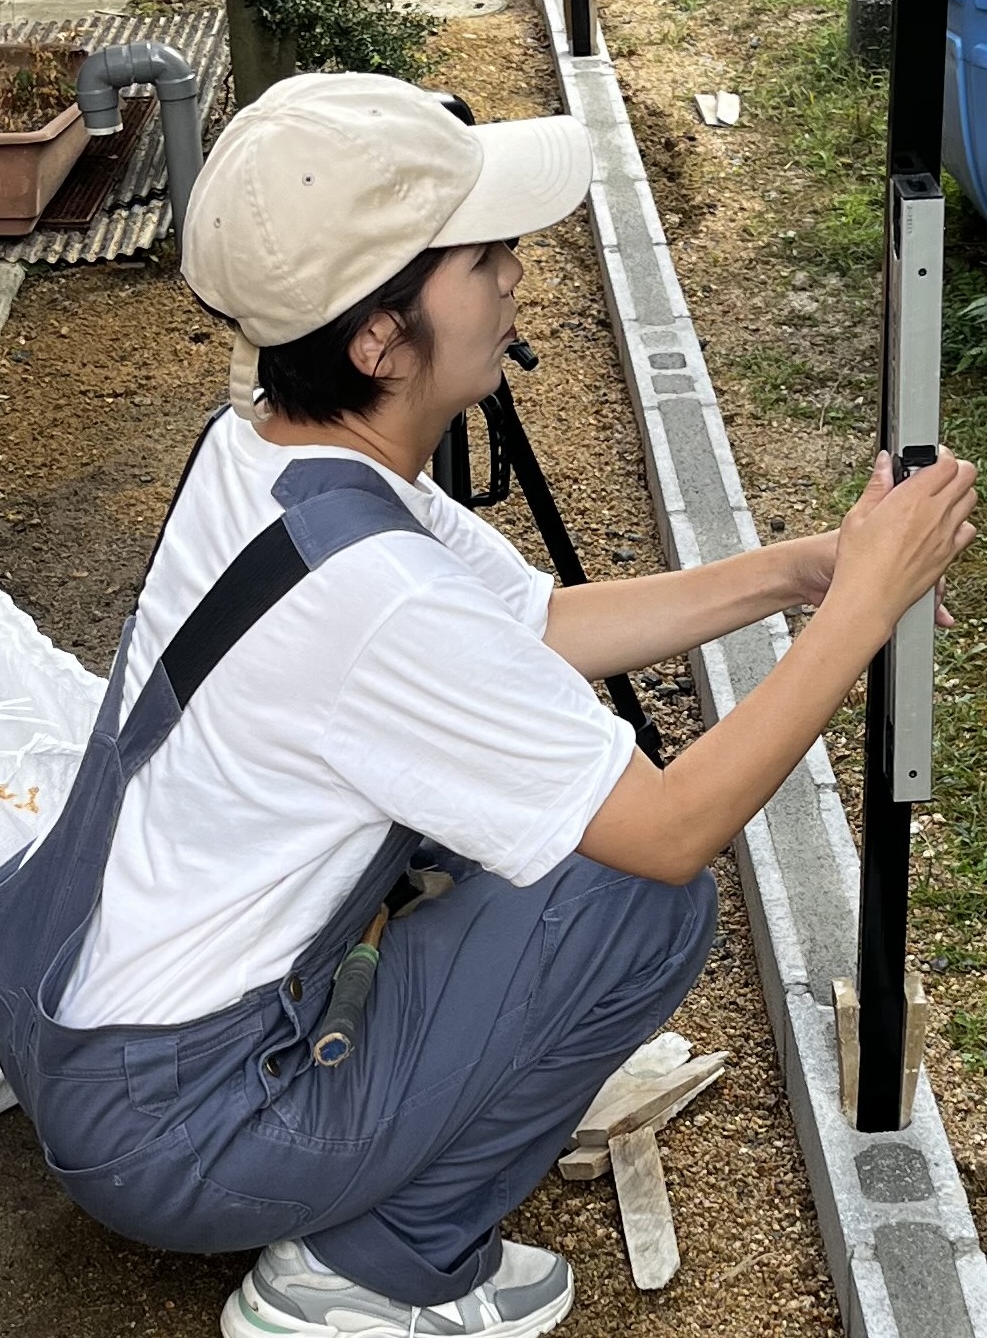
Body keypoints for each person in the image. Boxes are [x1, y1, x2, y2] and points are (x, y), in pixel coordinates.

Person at [0, 72, 976, 1338]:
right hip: (179, 1124)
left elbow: (539, 629)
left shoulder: (275, 451)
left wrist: (801, 570)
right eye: (483, 253)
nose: (518, 269)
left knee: (548, 801)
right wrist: (861, 613)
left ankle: (436, 1088)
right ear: (377, 337)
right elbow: (673, 826)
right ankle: (369, 1268)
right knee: (640, 896)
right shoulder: (380, 599)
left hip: (73, 994)